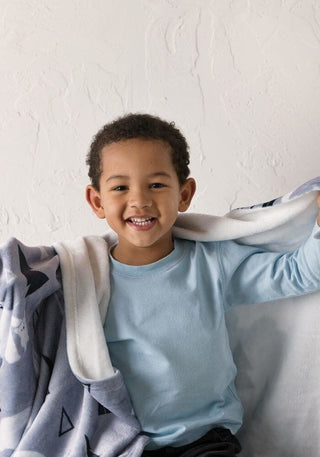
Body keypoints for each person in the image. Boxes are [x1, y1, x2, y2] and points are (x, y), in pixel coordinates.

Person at [85, 113, 320, 457]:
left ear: (184, 194)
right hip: (125, 445)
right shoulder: (83, 280)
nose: (139, 200)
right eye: (120, 187)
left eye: (156, 184)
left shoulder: (211, 264)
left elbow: (298, 273)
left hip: (206, 442)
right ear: (97, 201)